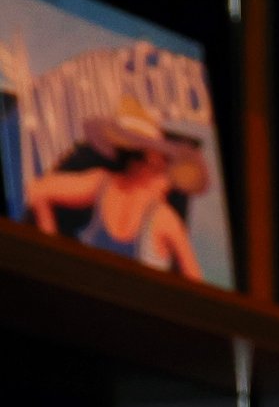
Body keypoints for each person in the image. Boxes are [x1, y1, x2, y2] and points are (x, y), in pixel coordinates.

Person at [25, 97, 206, 281]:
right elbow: (37, 190)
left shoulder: (102, 184)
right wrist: (55, 258)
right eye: (166, 167)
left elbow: (37, 190)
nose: (170, 182)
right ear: (151, 163)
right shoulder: (161, 217)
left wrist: (54, 257)